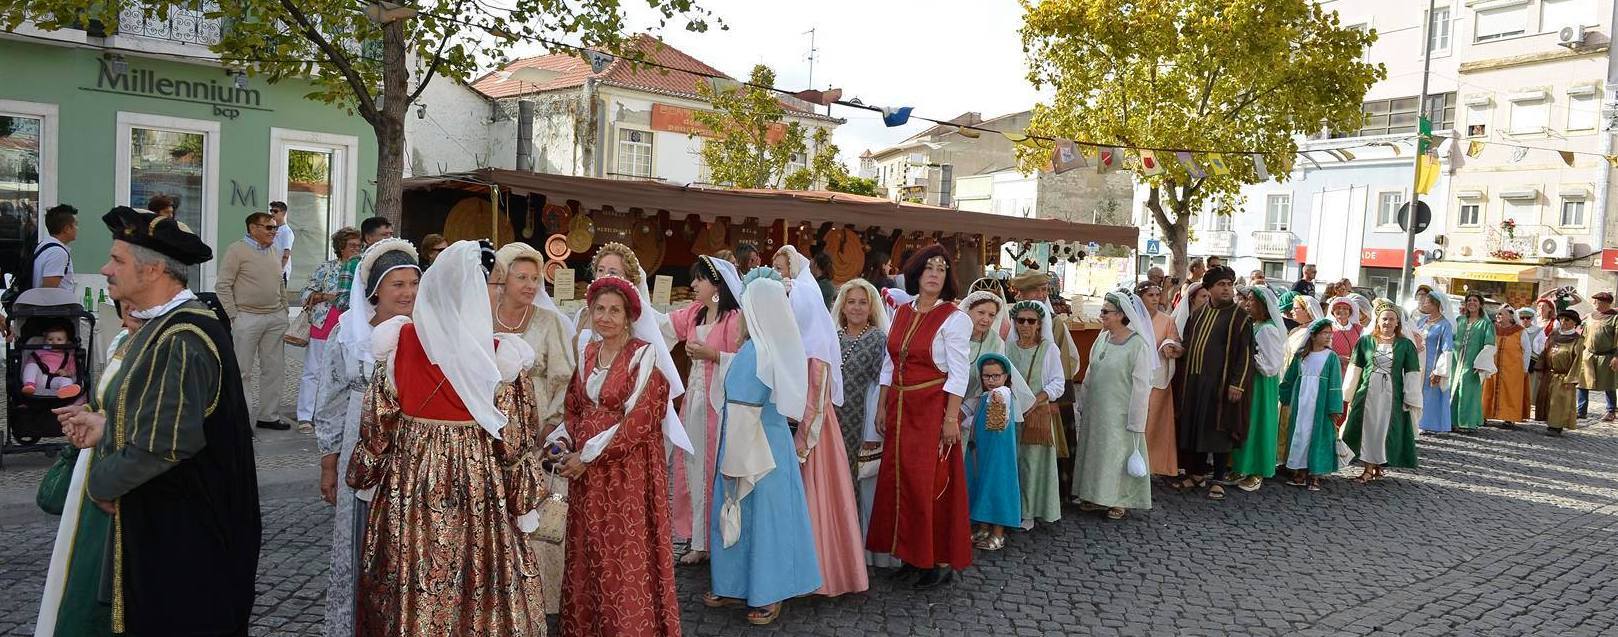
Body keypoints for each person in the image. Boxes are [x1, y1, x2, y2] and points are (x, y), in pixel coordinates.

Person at [55, 205, 260, 636]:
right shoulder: (160, 328)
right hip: (165, 521)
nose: (105, 268)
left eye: (117, 260)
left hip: (185, 530)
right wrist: (106, 428)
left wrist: (100, 484)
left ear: (152, 272)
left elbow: (163, 444)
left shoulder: (183, 336)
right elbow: (159, 416)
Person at [345, 240, 545, 636]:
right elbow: (514, 440)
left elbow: (377, 424)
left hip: (410, 482)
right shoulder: (498, 358)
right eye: (492, 286)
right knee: (474, 575)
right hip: (476, 486)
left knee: (413, 569)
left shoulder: (401, 343)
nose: (498, 294)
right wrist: (523, 501)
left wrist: (366, 476)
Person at [555, 276, 681, 636]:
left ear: (628, 317)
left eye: (615, 310)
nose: (606, 317)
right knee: (588, 549)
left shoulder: (643, 356)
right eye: (600, 310)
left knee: (622, 552)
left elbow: (639, 419)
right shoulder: (588, 353)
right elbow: (574, 405)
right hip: (587, 471)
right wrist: (571, 446)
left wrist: (589, 454)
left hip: (626, 472)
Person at [312, 238, 419, 637]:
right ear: (376, 289)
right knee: (359, 532)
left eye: (413, 283)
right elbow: (331, 395)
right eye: (398, 284)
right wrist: (329, 459)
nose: (408, 292)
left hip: (411, 439)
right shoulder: (348, 331)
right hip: (360, 434)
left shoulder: (426, 330)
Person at [703, 270, 821, 626]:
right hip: (744, 436)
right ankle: (733, 582)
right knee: (739, 507)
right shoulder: (756, 348)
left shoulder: (763, 351)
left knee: (763, 515)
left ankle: (769, 588)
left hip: (759, 444)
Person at [867, 244, 973, 590]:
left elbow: (959, 373)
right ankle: (911, 555)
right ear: (916, 274)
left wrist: (951, 418)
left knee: (930, 485)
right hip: (899, 409)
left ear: (947, 278)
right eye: (928, 268)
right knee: (901, 483)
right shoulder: (902, 312)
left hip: (931, 411)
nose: (934, 274)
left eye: (941, 269)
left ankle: (936, 561)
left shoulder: (956, 319)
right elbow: (889, 364)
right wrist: (882, 406)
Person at [35, 304, 145, 637]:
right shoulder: (124, 343)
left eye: (132, 310)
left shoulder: (164, 344)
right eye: (124, 310)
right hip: (98, 464)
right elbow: (107, 400)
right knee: (85, 570)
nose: (127, 318)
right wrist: (87, 417)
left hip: (122, 472)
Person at [771, 245, 868, 597]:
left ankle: (821, 573)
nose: (782, 278)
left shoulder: (814, 349)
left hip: (811, 437)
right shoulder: (792, 342)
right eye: (776, 269)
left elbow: (814, 404)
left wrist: (800, 446)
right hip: (795, 429)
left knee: (816, 500)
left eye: (785, 271)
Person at [494, 242, 577, 616]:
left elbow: (566, 380)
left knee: (536, 517)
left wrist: (553, 425)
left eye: (533, 277)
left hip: (535, 436)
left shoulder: (550, 323)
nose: (529, 285)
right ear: (502, 277)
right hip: (488, 434)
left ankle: (539, 604)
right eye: (520, 276)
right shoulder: (481, 320)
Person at [667, 255, 744, 566]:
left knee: (712, 469)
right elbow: (660, 325)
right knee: (692, 468)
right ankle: (697, 538)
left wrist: (712, 354)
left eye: (699, 279)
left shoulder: (734, 318)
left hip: (719, 406)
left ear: (716, 285)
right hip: (695, 403)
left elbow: (745, 361)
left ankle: (712, 538)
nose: (694, 284)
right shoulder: (695, 314)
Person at [1072, 289, 1154, 520]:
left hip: (1120, 413)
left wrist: (1137, 419)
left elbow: (1141, 385)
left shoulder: (1137, 345)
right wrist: (1084, 401)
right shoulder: (1102, 337)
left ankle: (1119, 499)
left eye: (1105, 312)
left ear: (1120, 315)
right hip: (1097, 409)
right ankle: (1093, 494)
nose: (1102, 315)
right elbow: (1091, 371)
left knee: (1116, 455)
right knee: (1096, 453)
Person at [1173, 266, 1254, 500]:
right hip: (1195, 382)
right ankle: (1195, 473)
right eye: (1221, 285)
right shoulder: (1197, 315)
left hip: (1222, 385)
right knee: (1196, 426)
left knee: (1220, 429)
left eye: (1229, 284)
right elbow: (1188, 343)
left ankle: (1217, 478)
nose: (1227, 288)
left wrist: (1237, 384)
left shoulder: (1241, 318)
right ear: (1209, 289)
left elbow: (1246, 354)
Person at [833, 278, 897, 568]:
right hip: (833, 419)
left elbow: (881, 384)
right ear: (842, 306)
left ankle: (857, 547)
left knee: (856, 479)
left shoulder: (877, 339)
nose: (856, 307)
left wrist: (874, 423)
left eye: (862, 302)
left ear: (871, 307)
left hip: (861, 418)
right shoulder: (833, 336)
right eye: (851, 302)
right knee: (834, 479)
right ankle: (835, 542)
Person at [217, 211, 291, 431]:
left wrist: (285, 310)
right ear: (252, 228)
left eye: (275, 228)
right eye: (269, 228)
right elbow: (223, 285)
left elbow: (280, 282)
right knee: (242, 372)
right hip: (246, 317)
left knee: (274, 368)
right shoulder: (236, 250)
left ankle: (269, 416)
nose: (274, 232)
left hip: (275, 317)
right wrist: (234, 315)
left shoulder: (275, 251)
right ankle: (241, 421)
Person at [1342, 300, 1422, 482]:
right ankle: (1368, 468)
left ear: (1397, 323)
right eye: (1384, 319)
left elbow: (1412, 372)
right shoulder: (1365, 342)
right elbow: (1355, 368)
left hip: (1392, 396)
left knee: (1384, 429)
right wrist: (1347, 394)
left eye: (1392, 319)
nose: (1387, 323)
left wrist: (1412, 398)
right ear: (1377, 321)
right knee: (1369, 428)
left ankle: (1378, 465)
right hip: (1367, 393)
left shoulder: (1405, 345)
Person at [963, 352, 1034, 549]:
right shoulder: (984, 396)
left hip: (1000, 454)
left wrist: (997, 394)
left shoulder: (1002, 395)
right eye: (987, 376)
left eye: (996, 376)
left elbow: (999, 404)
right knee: (980, 484)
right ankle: (984, 527)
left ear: (1005, 377)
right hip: (982, 450)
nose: (992, 381)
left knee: (998, 486)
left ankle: (998, 532)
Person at [295, 227, 361, 434]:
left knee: (343, 372)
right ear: (341, 247)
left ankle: (332, 413)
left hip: (349, 328)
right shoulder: (327, 268)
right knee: (313, 371)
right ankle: (305, 416)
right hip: (323, 323)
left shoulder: (361, 268)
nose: (357, 249)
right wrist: (324, 296)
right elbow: (305, 292)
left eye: (359, 246)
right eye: (352, 246)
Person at [1007, 299, 1065, 527]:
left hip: (1036, 416)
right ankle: (1011, 508)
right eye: (1020, 320)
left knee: (1032, 465)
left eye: (1031, 321)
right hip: (1011, 414)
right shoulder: (1007, 347)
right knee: (1011, 462)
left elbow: (1057, 383)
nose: (1026, 325)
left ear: (1040, 324)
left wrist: (1036, 400)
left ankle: (1029, 512)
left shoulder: (1048, 349)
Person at [1279, 319, 1344, 491]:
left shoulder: (1331, 357)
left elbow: (1335, 384)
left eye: (1330, 333)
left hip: (1320, 405)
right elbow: (1289, 379)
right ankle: (1299, 471)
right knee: (1300, 435)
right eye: (1324, 333)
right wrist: (1284, 397)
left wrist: (1334, 407)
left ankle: (1315, 474)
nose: (1328, 336)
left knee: (1318, 436)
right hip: (1301, 403)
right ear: (1313, 336)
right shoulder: (1301, 356)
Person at [1230, 287, 1284, 492]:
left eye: (1252, 300)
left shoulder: (1268, 329)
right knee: (1246, 423)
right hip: (1250, 381)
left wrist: (1245, 358)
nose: (1247, 303)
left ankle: (1257, 470)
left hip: (1261, 384)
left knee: (1259, 423)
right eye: (1247, 299)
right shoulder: (1255, 325)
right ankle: (1242, 465)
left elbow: (1269, 365)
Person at [1136, 281, 1182, 479]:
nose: (1155, 299)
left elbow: (1175, 340)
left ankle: (1153, 464)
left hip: (1157, 377)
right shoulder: (1132, 318)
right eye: (1150, 295)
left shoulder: (1167, 320)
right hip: (1135, 376)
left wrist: (1169, 345)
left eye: (1157, 295)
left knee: (1154, 422)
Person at [1450, 292, 1497, 433]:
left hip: (1473, 363)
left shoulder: (1486, 323)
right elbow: (1452, 339)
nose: (1471, 303)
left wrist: (1481, 364)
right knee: (1454, 388)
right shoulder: (1460, 320)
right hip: (1456, 361)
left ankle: (1467, 422)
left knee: (1468, 391)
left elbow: (1489, 344)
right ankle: (1453, 421)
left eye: (1475, 300)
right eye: (1469, 300)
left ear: (1480, 304)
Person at [1415, 291, 1456, 434]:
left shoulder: (1445, 325)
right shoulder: (1421, 321)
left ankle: (1430, 423)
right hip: (1419, 362)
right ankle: (1416, 421)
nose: (1424, 303)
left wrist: (1439, 371)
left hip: (1433, 364)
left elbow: (1447, 349)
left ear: (1436, 305)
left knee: (1431, 393)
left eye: (1427, 301)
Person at [1483, 305, 1529, 428]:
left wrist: (1525, 369)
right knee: (1488, 391)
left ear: (1510, 316)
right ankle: (1484, 414)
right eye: (1498, 314)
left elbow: (1527, 350)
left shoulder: (1520, 331)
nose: (1498, 316)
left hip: (1512, 368)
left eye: (1501, 314)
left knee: (1510, 392)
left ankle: (1509, 417)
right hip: (1493, 366)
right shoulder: (1493, 329)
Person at [958, 290, 1010, 397]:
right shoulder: (953, 335)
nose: (986, 319)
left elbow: (995, 380)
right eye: (981, 312)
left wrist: (967, 408)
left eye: (991, 315)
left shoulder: (996, 342)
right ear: (968, 310)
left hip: (977, 401)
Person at [1577, 291, 1618, 422]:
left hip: (1607, 356)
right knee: (1583, 383)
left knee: (1609, 384)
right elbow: (1584, 335)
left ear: (1605, 303)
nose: (1594, 303)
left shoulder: (1615, 317)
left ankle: (1611, 410)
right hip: (1588, 354)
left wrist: (1616, 356)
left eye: (1597, 301)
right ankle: (1581, 410)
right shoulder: (1590, 317)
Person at [1542, 309, 1584, 436]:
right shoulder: (1554, 335)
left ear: (1574, 323)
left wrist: (1571, 379)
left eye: (1567, 320)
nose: (1563, 322)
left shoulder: (1577, 339)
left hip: (1564, 375)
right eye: (1561, 319)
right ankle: (1550, 423)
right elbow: (1545, 351)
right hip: (1551, 373)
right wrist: (1541, 367)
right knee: (1550, 400)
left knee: (1560, 401)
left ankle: (1556, 426)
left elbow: (1578, 361)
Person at [21, 323, 80, 398]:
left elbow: (73, 369)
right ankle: (29, 384)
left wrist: (67, 372)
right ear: (45, 341)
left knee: (68, 381)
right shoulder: (40, 352)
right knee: (32, 365)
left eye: (59, 339)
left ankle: (65, 390)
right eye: (50, 339)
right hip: (40, 378)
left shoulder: (68, 356)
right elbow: (29, 364)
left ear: (66, 342)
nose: (54, 342)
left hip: (56, 379)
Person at [34, 204, 76, 290]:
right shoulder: (57, 253)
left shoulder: (44, 246)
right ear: (67, 229)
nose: (77, 228)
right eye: (76, 224)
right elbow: (49, 292)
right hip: (57, 303)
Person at [1530, 299, 1557, 421]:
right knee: (1533, 379)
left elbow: (1555, 338)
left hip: (1547, 353)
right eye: (1539, 306)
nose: (1541, 308)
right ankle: (1531, 401)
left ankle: (1541, 404)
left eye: (1544, 306)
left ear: (1550, 309)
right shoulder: (1534, 321)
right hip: (1534, 354)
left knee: (1543, 380)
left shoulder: (1554, 323)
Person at [1325, 296, 1362, 376]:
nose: (1341, 310)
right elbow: (1322, 350)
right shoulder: (1327, 329)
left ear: (1350, 312)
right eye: (1337, 308)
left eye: (1345, 308)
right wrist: (1338, 358)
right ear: (1332, 311)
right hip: (1333, 369)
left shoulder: (1359, 329)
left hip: (1354, 370)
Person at [269, 201, 294, 283]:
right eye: (271, 211)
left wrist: (280, 270)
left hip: (280, 273)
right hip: (271, 270)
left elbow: (286, 253)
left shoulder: (286, 231)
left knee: (279, 295)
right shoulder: (273, 229)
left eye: (275, 211)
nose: (272, 213)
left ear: (283, 213)